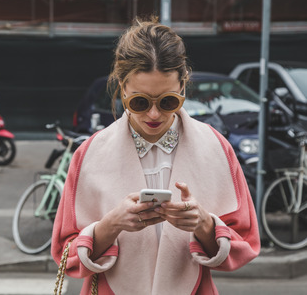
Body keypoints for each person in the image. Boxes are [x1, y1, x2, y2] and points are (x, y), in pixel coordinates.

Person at [51, 16, 260, 295]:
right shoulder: (89, 154)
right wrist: (110, 226)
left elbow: (246, 241)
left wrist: (205, 224)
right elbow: (65, 253)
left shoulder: (216, 148)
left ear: (183, 87)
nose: (153, 114)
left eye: (168, 101)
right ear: (122, 87)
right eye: (139, 101)